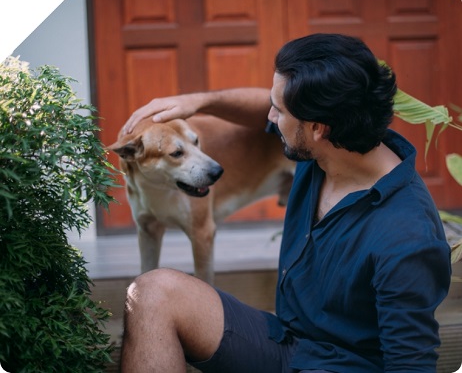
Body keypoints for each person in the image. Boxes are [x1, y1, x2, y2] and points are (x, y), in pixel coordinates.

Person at [120, 33, 451, 373]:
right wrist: (199, 101)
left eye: (278, 111)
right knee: (151, 292)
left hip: (342, 367)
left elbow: (410, 364)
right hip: (286, 342)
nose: (270, 117)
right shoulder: (327, 147)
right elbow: (257, 108)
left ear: (317, 128)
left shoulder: (408, 235)